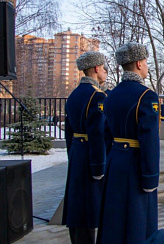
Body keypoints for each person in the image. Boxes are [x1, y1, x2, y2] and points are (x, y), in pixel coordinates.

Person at [97, 42, 160, 244]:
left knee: (115, 219)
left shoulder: (110, 95)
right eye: (146, 62)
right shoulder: (146, 95)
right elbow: (149, 140)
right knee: (138, 221)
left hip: (115, 162)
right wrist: (150, 177)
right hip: (135, 165)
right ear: (140, 63)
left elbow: (106, 134)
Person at [62, 51, 108, 244]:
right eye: (104, 68)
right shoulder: (96, 96)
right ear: (96, 69)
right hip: (90, 155)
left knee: (77, 207)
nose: (106, 72)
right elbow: (98, 134)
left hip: (77, 153)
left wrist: (72, 154)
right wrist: (99, 167)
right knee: (89, 209)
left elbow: (68, 133)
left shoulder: (73, 95)